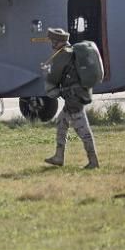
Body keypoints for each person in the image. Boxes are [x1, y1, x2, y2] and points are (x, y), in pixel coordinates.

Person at [41, 28, 99, 169]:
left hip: (74, 98)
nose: (51, 44)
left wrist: (46, 72)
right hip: (76, 95)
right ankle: (59, 157)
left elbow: (53, 78)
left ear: (57, 41)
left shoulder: (63, 55)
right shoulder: (71, 51)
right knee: (61, 122)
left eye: (53, 41)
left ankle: (93, 161)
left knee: (82, 129)